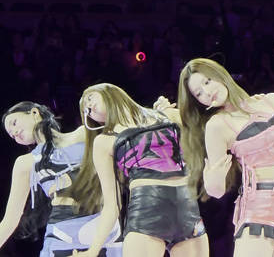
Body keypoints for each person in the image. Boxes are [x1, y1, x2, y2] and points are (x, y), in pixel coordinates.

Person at [177, 58, 274, 256]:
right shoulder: (217, 125)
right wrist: (212, 178)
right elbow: (216, 190)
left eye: (207, 82)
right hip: (260, 207)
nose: (207, 92)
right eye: (199, 93)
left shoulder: (271, 101)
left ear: (219, 75)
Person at [70, 83, 209, 257]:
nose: (89, 106)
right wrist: (93, 251)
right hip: (147, 212)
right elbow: (112, 205)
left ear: (110, 92)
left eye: (89, 98)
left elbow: (200, 136)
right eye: (86, 109)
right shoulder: (104, 142)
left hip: (187, 209)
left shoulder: (166, 115)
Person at [0, 101, 121, 256]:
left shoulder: (84, 134)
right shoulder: (25, 163)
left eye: (14, 123)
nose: (15, 133)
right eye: (12, 135)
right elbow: (10, 220)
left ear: (35, 113)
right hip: (61, 234)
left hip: (105, 227)